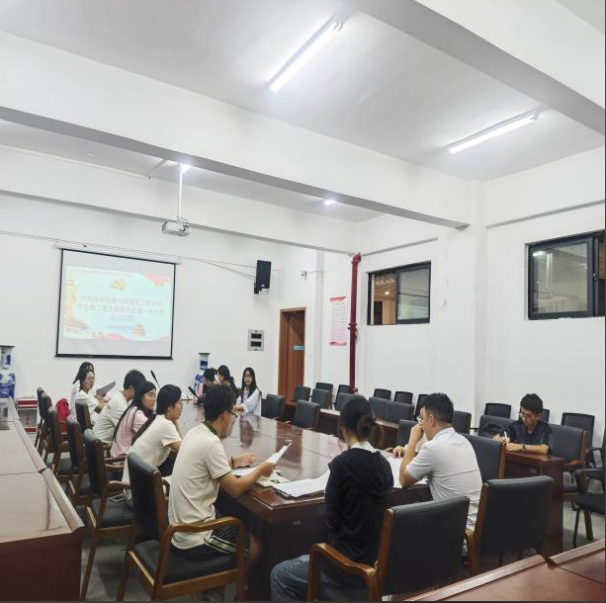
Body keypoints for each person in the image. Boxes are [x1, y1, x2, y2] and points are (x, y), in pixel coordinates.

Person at [271, 396, 394, 601]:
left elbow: (331, 521)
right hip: (373, 564)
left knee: (279, 575)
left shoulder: (342, 465)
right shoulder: (385, 465)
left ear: (343, 428)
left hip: (344, 567)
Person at [169, 385, 274, 566]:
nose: (233, 420)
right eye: (233, 415)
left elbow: (207, 465)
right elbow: (235, 489)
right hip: (195, 536)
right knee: (255, 547)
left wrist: (233, 461)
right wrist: (260, 470)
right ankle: (232, 581)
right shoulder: (211, 443)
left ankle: (222, 580)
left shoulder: (196, 431)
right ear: (225, 415)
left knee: (235, 514)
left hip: (178, 528)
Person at [397, 393, 482, 532]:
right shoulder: (464, 441)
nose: (420, 424)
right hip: (475, 531)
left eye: (422, 418)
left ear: (431, 420)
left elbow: (403, 480)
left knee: (398, 524)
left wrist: (412, 440)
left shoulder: (433, 448)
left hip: (454, 534)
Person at [122, 384, 183, 500]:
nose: (182, 407)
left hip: (131, 488)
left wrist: (175, 420)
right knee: (187, 480)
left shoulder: (158, 419)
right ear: (169, 407)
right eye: (180, 403)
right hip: (139, 496)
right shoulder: (165, 426)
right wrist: (176, 422)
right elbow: (184, 451)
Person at [93, 370, 146, 443]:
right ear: (132, 388)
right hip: (103, 447)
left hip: (102, 443)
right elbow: (130, 432)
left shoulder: (119, 398)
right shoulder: (119, 404)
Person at [110, 381, 156, 458]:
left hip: (121, 456)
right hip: (122, 460)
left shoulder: (133, 408)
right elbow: (156, 436)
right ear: (141, 396)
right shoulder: (137, 415)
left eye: (155, 396)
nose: (154, 399)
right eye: (150, 395)